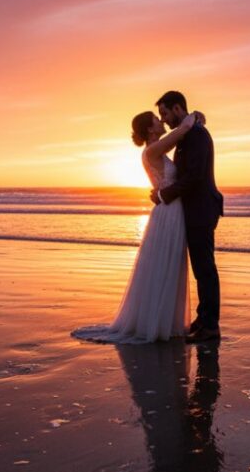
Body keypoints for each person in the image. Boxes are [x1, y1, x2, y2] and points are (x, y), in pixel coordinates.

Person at [71, 108, 204, 343]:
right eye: (157, 119)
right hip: (169, 212)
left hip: (169, 209)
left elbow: (180, 136)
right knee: (166, 264)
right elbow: (183, 130)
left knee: (169, 265)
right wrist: (194, 115)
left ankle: (163, 322)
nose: (161, 120)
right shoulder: (153, 149)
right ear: (150, 129)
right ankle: (156, 325)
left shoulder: (156, 149)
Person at [151, 91, 223, 343]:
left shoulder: (197, 137)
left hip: (201, 209)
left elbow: (193, 178)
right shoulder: (187, 134)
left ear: (178, 108)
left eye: (165, 113)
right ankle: (203, 319)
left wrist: (163, 195)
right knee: (201, 269)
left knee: (205, 269)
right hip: (194, 210)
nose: (165, 119)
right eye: (161, 115)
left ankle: (210, 326)